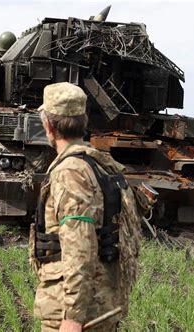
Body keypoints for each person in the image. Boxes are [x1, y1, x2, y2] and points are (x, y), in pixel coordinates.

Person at [30, 82, 154, 331]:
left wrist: (72, 318)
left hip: (78, 311)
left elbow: (80, 247)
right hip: (102, 300)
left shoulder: (71, 173)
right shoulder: (97, 163)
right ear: (83, 121)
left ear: (49, 126)